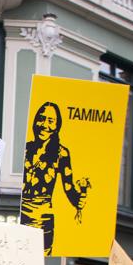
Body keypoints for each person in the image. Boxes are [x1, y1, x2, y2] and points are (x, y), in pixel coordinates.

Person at [20, 102, 91, 255]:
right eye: (41, 118)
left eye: (50, 121)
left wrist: (81, 196)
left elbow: (69, 190)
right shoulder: (25, 148)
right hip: (19, 220)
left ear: (57, 126)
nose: (45, 124)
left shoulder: (61, 153)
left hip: (42, 224)